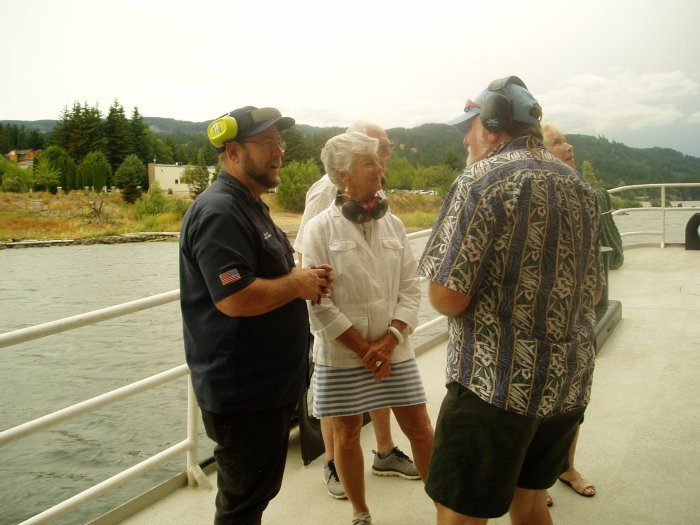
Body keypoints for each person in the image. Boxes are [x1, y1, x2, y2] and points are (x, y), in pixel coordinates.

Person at [418, 76, 604, 524]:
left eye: (471, 125)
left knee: (460, 513)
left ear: (495, 123)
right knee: (532, 501)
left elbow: (447, 297)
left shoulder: (480, 181)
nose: (465, 137)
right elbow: (595, 291)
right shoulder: (579, 188)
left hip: (493, 388)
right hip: (566, 386)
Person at [179, 105, 334, 525]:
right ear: (232, 151)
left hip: (267, 389)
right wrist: (298, 284)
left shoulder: (249, 204)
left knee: (256, 494)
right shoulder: (219, 212)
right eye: (266, 143)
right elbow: (233, 298)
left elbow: (263, 275)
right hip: (243, 393)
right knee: (242, 504)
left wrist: (300, 277)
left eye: (279, 142)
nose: (279, 151)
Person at [302, 131, 434, 525]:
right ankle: (361, 512)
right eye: (369, 163)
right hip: (343, 354)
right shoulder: (319, 230)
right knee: (345, 432)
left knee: (421, 429)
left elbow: (411, 290)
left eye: (378, 161)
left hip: (395, 350)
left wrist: (390, 340)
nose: (380, 169)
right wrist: (365, 348)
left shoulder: (393, 224)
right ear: (343, 175)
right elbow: (318, 302)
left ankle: (441, 505)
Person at [542, 122, 596, 504]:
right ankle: (532, 481)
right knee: (537, 401)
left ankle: (566, 466)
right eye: (558, 141)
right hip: (541, 322)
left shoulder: (584, 194)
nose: (569, 145)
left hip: (577, 320)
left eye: (565, 139)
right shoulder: (536, 194)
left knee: (572, 400)